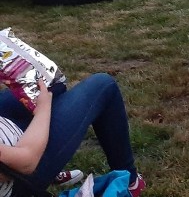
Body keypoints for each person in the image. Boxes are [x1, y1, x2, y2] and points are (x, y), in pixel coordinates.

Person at [0, 74, 146, 196]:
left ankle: (53, 170)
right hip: (18, 173)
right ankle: (131, 182)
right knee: (103, 85)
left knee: (51, 83)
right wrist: (43, 109)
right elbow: (26, 162)